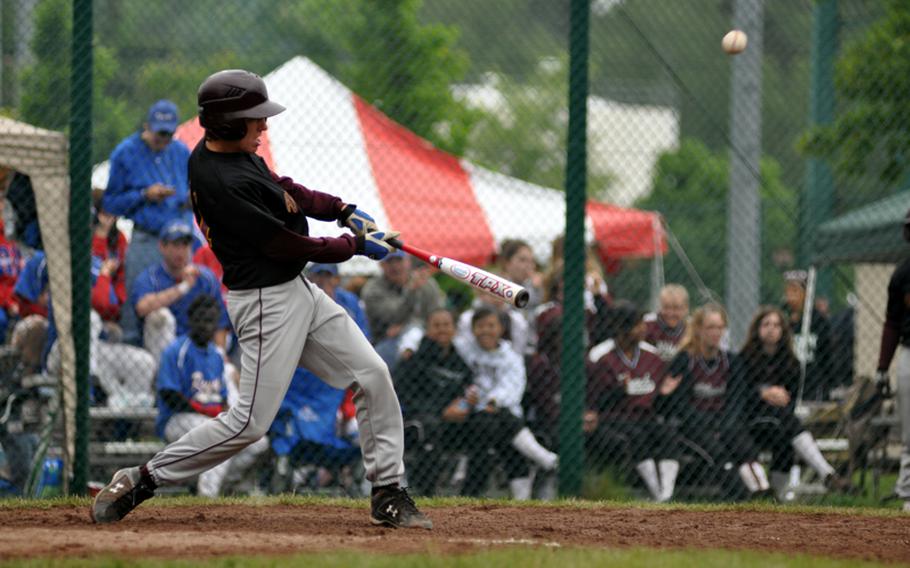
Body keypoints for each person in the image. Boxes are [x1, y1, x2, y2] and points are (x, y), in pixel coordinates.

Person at [91, 69, 431, 529]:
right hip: (266, 301)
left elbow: (283, 189)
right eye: (255, 120)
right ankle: (142, 478)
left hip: (297, 292)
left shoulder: (233, 153)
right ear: (229, 123)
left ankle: (388, 491)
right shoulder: (219, 181)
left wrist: (342, 210)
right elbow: (287, 246)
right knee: (249, 424)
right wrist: (356, 247)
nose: (264, 127)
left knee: (372, 374)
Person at [155, 296, 266, 497]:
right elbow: (169, 395)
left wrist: (224, 415)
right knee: (220, 436)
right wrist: (205, 411)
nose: (206, 326)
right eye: (201, 320)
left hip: (209, 420)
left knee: (257, 442)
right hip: (176, 420)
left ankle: (214, 482)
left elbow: (222, 399)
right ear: (190, 320)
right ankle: (207, 495)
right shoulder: (176, 350)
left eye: (211, 321)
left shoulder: (216, 355)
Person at [737, 306, 852, 500]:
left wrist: (778, 397)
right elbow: (742, 395)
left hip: (780, 425)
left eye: (776, 325)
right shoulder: (744, 358)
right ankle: (826, 473)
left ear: (783, 331)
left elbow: (790, 401)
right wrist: (764, 393)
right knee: (785, 422)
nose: (771, 329)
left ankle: (776, 497)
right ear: (757, 329)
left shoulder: (790, 362)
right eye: (766, 324)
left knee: (785, 440)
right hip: (753, 421)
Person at [102, 100, 192, 344]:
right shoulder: (126, 152)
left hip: (180, 237)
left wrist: (190, 200)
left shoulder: (181, 152)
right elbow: (110, 203)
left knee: (185, 297)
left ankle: (181, 355)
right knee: (137, 298)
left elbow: (195, 189)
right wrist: (144, 195)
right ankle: (134, 352)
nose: (163, 138)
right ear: (146, 126)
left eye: (169, 133)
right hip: (147, 237)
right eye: (159, 132)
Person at [660, 304, 770, 500]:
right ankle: (744, 497)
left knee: (744, 448)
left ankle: (763, 493)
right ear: (699, 329)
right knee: (718, 453)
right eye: (711, 327)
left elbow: (737, 398)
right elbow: (680, 404)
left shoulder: (731, 361)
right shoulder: (685, 360)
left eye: (720, 328)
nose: (716, 333)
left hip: (724, 422)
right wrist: (705, 422)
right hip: (693, 426)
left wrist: (726, 423)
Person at [453, 307, 558, 500]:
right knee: (499, 429)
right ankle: (543, 459)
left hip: (501, 410)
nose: (485, 330)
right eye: (480, 326)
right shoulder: (465, 349)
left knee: (496, 423)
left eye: (491, 325)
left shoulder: (511, 357)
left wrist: (493, 401)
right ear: (473, 329)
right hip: (472, 411)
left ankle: (476, 490)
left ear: (501, 329)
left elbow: (513, 389)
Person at [586, 301, 679, 502]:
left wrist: (665, 394)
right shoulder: (601, 356)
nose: (643, 329)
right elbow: (595, 401)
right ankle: (658, 495)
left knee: (668, 434)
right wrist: (620, 391)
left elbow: (657, 400)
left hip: (644, 416)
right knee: (636, 436)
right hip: (614, 418)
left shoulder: (652, 356)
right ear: (622, 329)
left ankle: (667, 494)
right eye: (637, 325)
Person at [393, 308, 473, 496]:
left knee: (485, 424)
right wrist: (441, 412)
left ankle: (470, 493)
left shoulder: (458, 361)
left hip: (451, 420)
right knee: (429, 426)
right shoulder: (413, 360)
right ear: (427, 330)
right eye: (436, 325)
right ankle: (425, 492)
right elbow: (404, 397)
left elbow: (467, 392)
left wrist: (462, 407)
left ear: (454, 329)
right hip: (416, 421)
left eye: (446, 325)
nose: (442, 330)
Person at [130, 219, 230, 362]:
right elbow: (142, 307)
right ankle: (165, 376)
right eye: (176, 245)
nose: (181, 251)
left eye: (185, 245)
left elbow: (221, 323)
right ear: (162, 246)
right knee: (160, 316)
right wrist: (183, 287)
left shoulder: (205, 277)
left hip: (200, 347)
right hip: (162, 351)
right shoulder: (150, 277)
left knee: (228, 372)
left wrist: (221, 356)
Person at [875, 208, 910, 512]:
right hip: (909, 351)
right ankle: (908, 494)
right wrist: (882, 368)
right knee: (909, 427)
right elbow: (892, 323)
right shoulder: (902, 274)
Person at [361, 250, 444, 366]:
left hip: (428, 335)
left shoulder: (427, 283)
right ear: (381, 265)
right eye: (389, 261)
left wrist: (407, 325)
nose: (395, 266)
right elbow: (392, 317)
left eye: (398, 260)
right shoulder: (373, 289)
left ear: (408, 261)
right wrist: (411, 291)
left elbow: (438, 314)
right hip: (387, 340)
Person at [782, 270, 834, 401]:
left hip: (813, 381)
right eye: (788, 290)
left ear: (806, 293)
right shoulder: (782, 320)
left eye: (795, 290)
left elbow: (827, 355)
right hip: (789, 380)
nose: (790, 295)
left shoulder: (818, 321)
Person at [90, 193, 129, 333]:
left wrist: (119, 300)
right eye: (104, 213)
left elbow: (122, 272)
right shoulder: (88, 236)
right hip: (92, 285)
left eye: (112, 214)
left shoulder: (120, 238)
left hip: (111, 290)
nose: (108, 218)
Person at [643, 284, 689, 363]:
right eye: (666, 307)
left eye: (676, 308)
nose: (670, 313)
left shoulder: (691, 328)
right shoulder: (646, 324)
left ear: (685, 308)